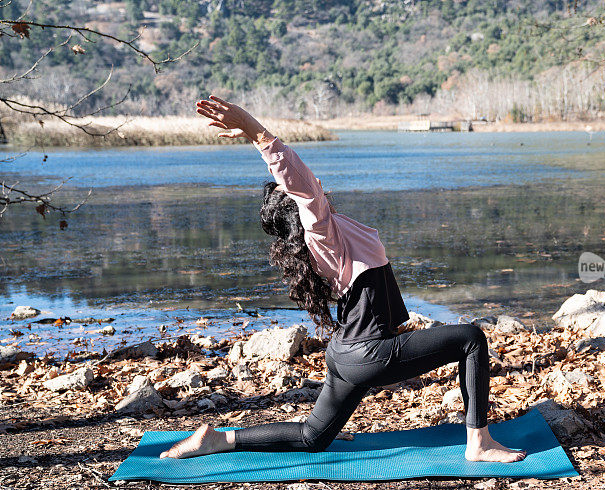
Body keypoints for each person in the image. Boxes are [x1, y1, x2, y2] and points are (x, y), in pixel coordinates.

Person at [159, 95, 527, 463]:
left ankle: (218, 440)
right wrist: (256, 132)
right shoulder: (321, 232)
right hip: (369, 354)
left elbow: (306, 185)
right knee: (472, 340)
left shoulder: (328, 237)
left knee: (313, 437)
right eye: (309, 190)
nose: (317, 182)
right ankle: (478, 443)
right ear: (299, 209)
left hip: (347, 352)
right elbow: (300, 181)